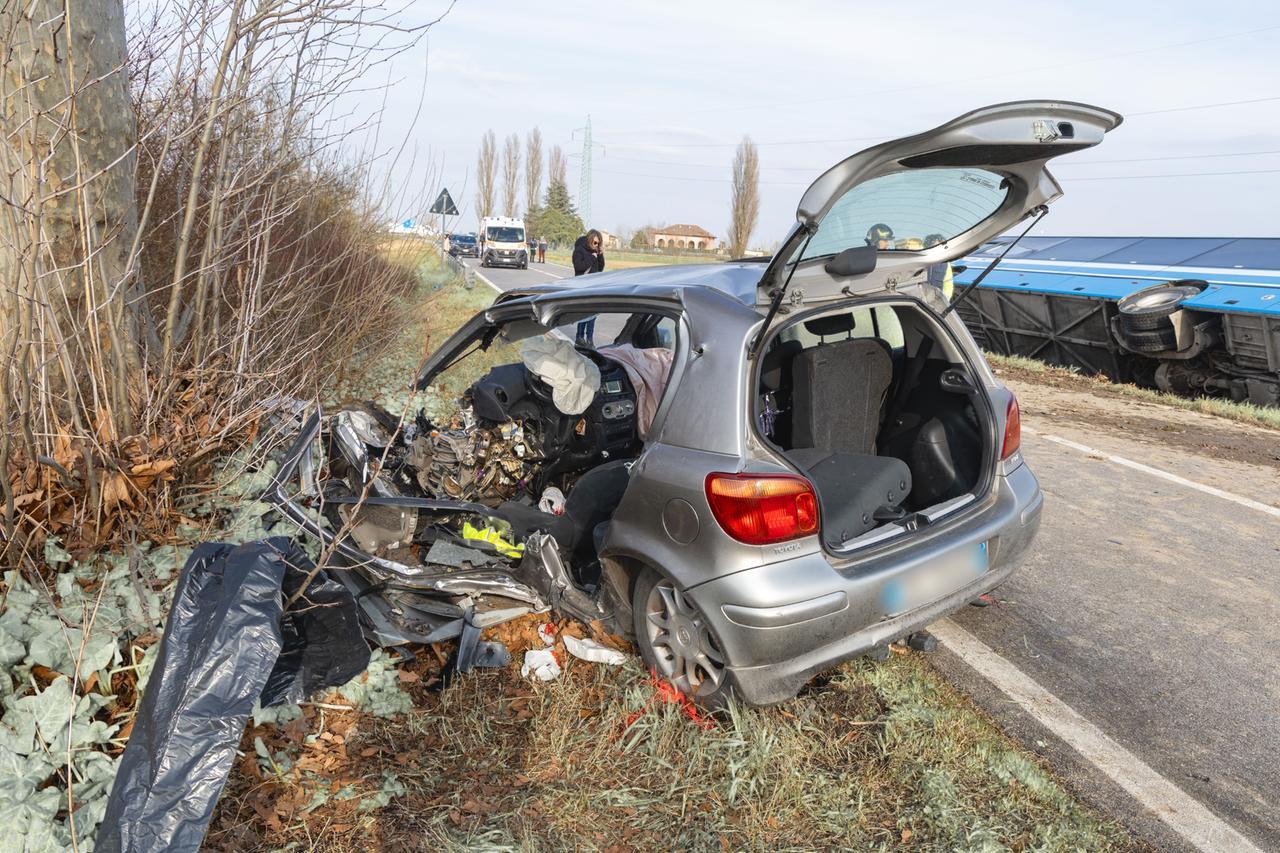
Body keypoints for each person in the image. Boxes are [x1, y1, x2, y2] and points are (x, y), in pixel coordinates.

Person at [573, 229, 606, 343]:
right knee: (583, 312)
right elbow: (579, 267)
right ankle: (580, 337)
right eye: (595, 243)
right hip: (582, 287)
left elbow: (600, 268)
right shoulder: (579, 250)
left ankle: (590, 339)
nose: (596, 245)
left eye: (598, 243)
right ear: (589, 240)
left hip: (594, 286)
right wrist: (592, 257)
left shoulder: (596, 252)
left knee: (593, 313)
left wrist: (600, 255)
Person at [923, 233, 954, 301]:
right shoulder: (920, 260)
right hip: (920, 299)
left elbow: (948, 284)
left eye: (940, 245)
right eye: (934, 245)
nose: (937, 248)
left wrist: (945, 300)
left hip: (937, 300)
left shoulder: (945, 263)